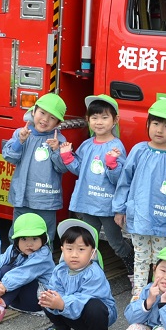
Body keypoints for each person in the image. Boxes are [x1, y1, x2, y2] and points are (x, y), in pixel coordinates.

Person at [112, 97, 166, 300]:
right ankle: (138, 295)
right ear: (148, 124)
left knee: (161, 261)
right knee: (140, 257)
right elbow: (125, 181)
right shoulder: (139, 150)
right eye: (155, 123)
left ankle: (157, 294)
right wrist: (120, 209)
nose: (159, 130)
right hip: (138, 216)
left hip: (161, 220)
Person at [60, 94, 133, 276]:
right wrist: (67, 157)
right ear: (88, 120)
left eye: (104, 117)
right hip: (87, 203)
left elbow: (119, 179)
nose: (99, 122)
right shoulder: (86, 145)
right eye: (94, 117)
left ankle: (133, 267)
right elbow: (80, 170)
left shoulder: (117, 146)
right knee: (88, 241)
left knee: (115, 242)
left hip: (107, 206)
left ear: (115, 120)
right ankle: (91, 273)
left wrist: (112, 164)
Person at [0, 213, 55, 326]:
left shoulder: (43, 255)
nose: (29, 243)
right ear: (16, 240)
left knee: (20, 274)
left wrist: (2, 287)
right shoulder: (13, 249)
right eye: (24, 239)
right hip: (15, 300)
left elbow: (23, 273)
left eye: (35, 238)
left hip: (36, 301)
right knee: (4, 268)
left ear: (43, 239)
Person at [37, 219, 117, 330]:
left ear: (92, 252)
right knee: (47, 296)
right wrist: (53, 300)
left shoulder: (94, 272)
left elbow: (85, 298)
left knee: (95, 306)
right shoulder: (60, 270)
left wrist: (62, 303)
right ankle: (62, 327)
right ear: (62, 250)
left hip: (94, 318)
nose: (74, 254)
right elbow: (55, 290)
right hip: (67, 312)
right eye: (69, 249)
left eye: (81, 249)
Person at [2, 93, 68, 242]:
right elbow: (9, 157)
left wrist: (56, 150)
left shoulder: (59, 140)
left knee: (45, 236)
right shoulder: (21, 133)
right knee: (18, 233)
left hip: (46, 200)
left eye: (52, 117)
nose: (45, 119)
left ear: (58, 123)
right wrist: (20, 141)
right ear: (33, 112)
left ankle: (43, 264)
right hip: (22, 197)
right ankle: (16, 262)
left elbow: (63, 168)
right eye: (42, 113)